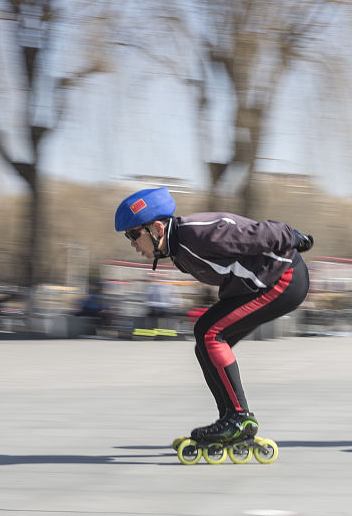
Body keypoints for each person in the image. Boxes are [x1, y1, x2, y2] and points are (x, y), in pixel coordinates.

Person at [114, 186, 313, 450]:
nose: (132, 243)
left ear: (157, 229)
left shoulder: (198, 233)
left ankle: (239, 419)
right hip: (261, 284)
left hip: (284, 279)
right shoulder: (178, 248)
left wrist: (293, 236)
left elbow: (255, 232)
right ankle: (230, 419)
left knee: (209, 333)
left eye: (133, 234)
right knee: (205, 340)